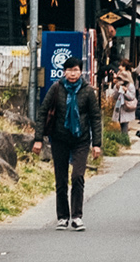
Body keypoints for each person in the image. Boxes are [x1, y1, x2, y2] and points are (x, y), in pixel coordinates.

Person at [32, 57, 103, 231]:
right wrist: (38, 139)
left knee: (77, 176)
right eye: (69, 70)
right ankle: (62, 216)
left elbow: (95, 117)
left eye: (76, 70)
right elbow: (42, 113)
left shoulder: (87, 91)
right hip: (59, 138)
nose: (73, 74)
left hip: (81, 139)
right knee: (61, 179)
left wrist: (97, 144)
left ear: (81, 72)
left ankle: (77, 216)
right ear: (64, 72)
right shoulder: (56, 88)